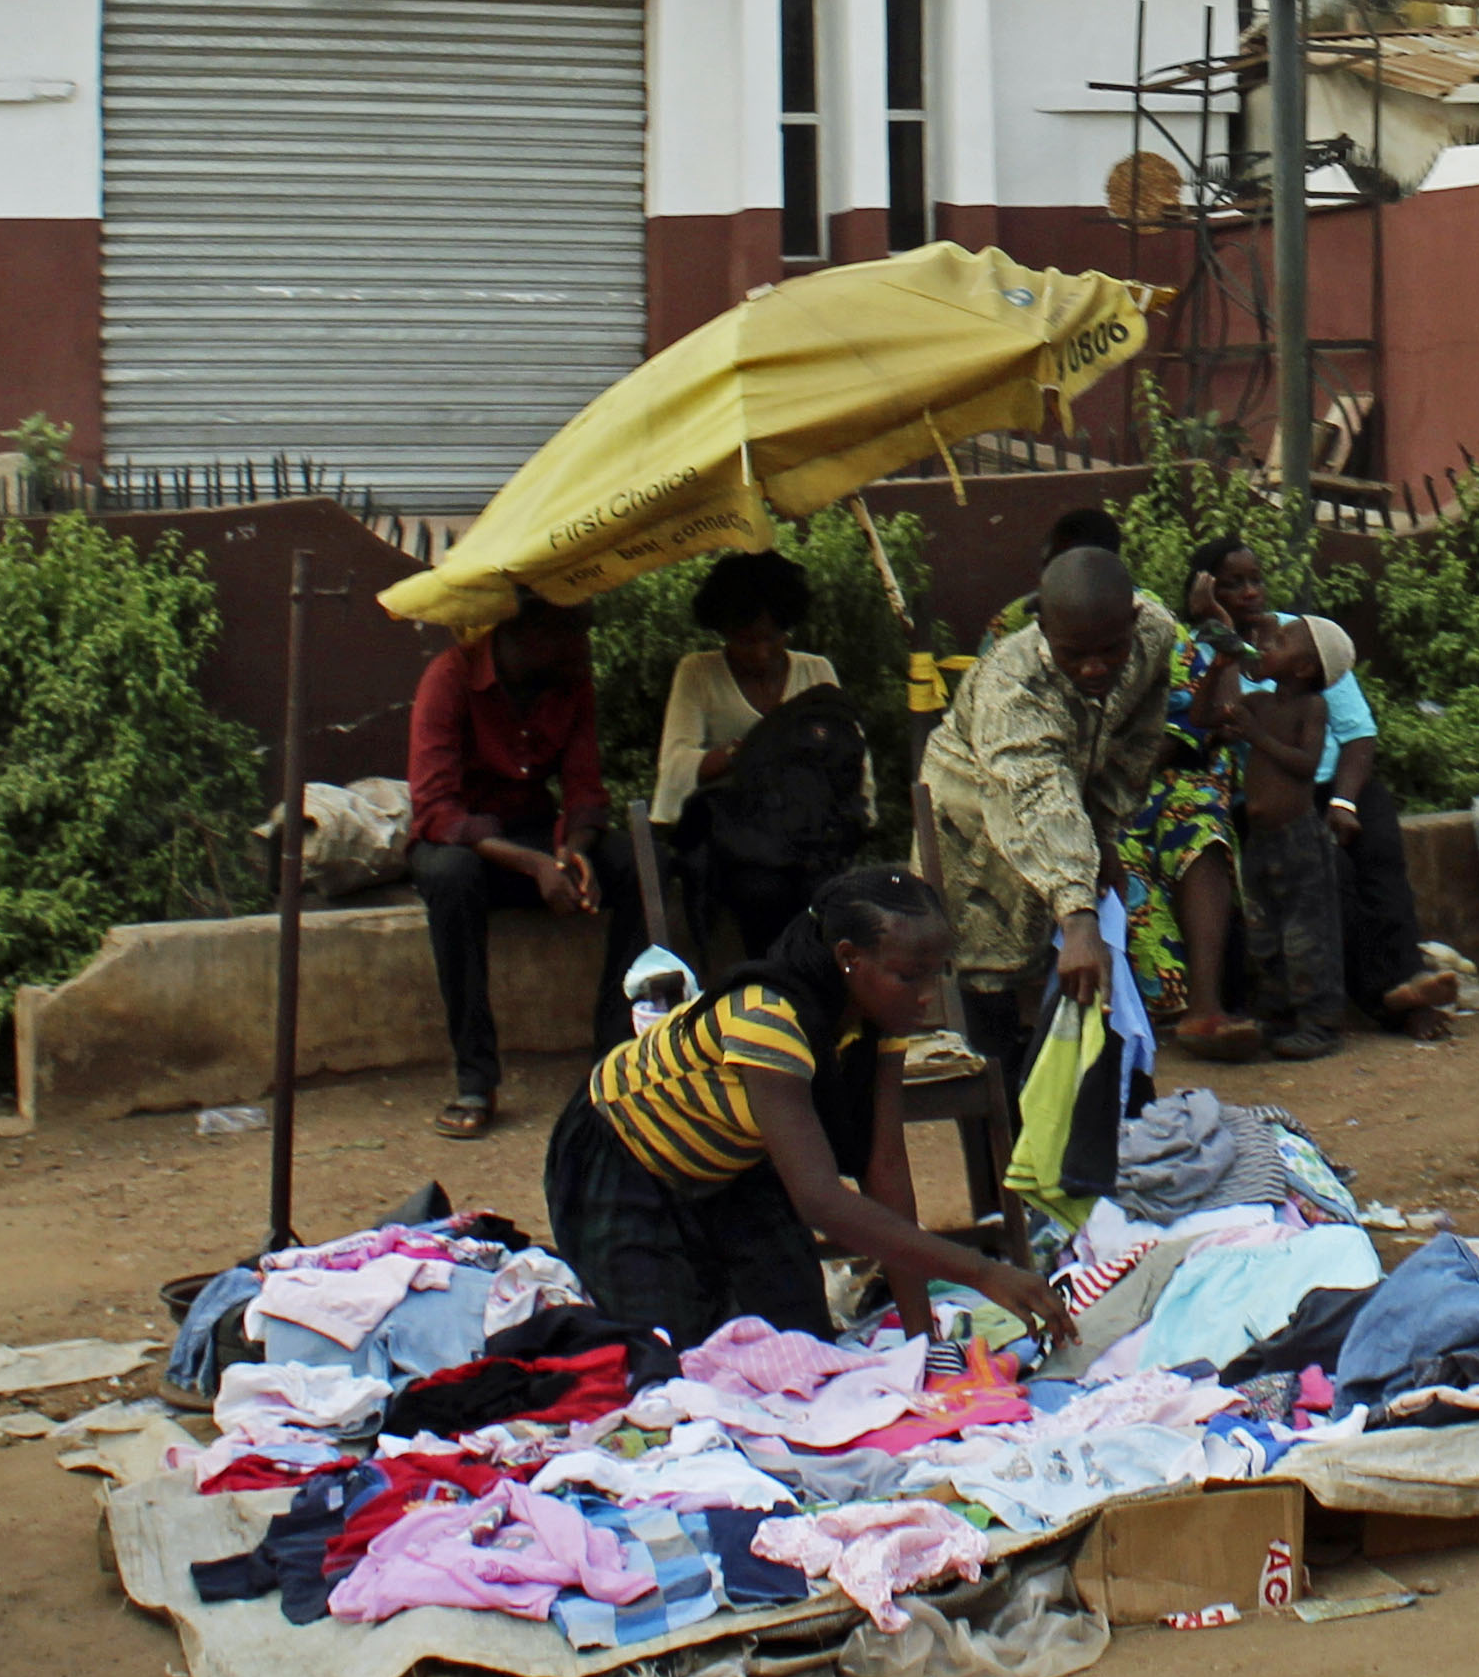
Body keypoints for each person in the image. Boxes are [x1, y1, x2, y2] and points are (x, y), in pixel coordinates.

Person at [544, 863, 1067, 1350]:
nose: (927, 996)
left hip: (736, 1167)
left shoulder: (879, 1024)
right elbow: (820, 1201)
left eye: (936, 975)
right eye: (910, 977)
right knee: (673, 1358)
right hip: (622, 1160)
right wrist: (982, 1271)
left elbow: (884, 1170)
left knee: (803, 1346)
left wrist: (920, 1346)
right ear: (847, 957)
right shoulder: (765, 1017)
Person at [914, 548, 1172, 1087]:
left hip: (1064, 817)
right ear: (1042, 628)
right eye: (1075, 653)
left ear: (1132, 621)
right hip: (974, 829)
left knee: (1075, 1002)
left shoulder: (1153, 640)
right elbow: (1035, 795)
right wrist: (1077, 915)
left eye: (1111, 650)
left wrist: (1102, 838)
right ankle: (1005, 1153)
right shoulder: (1010, 687)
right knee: (990, 993)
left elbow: (1132, 746)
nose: (1095, 668)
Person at [1009, 509, 1259, 1064]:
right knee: (1104, 847)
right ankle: (1127, 1015)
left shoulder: (1151, 624)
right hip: (1072, 791)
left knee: (1199, 823)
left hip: (1160, 775)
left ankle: (1207, 1006)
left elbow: (1192, 715)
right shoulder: (1017, 634)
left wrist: (1137, 769)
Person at [1184, 541, 1458, 1041]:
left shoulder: (1301, 637)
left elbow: (1358, 731)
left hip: (1336, 784)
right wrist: (1223, 630)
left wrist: (1343, 802)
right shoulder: (1204, 648)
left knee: (1379, 853)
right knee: (1332, 881)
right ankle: (1388, 998)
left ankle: (1404, 980)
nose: (1249, 592)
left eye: (1255, 579)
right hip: (1277, 801)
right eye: (1231, 583)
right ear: (1207, 589)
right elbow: (1222, 714)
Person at [405, 600, 650, 1143]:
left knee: (636, 861)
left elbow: (585, 791)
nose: (584, 652)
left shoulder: (570, 684)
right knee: (450, 878)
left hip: (534, 835)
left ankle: (613, 1056)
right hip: (467, 844)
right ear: (529, 636)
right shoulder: (451, 678)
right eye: (572, 637)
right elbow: (436, 810)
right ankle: (476, 1079)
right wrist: (535, 864)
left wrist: (573, 854)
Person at [650, 551, 858, 959]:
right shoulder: (698, 674)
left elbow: (849, 760)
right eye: (746, 640)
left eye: (773, 638)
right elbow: (676, 767)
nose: (761, 652)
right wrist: (746, 755)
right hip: (739, 845)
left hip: (808, 838)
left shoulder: (816, 672)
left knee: (829, 897)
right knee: (763, 892)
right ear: (723, 630)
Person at [1207, 609, 1355, 1059]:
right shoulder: (1258, 704)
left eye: (1280, 643)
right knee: (1264, 933)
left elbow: (1307, 764)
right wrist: (1220, 667)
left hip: (1299, 839)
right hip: (1261, 840)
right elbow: (1204, 717)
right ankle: (1277, 1018)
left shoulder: (1312, 707)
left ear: (1304, 668)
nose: (1266, 645)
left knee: (1307, 935)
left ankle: (1320, 1023)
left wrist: (1256, 738)